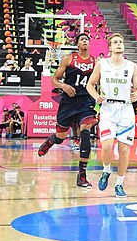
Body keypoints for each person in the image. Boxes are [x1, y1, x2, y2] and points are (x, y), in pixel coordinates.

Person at [38, 33, 99, 189]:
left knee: (85, 133)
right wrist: (64, 86)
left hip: (86, 102)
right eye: (82, 40)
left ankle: (82, 175)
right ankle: (51, 141)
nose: (85, 41)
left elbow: (100, 82)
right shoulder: (69, 59)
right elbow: (55, 80)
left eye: (87, 39)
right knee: (60, 137)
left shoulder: (95, 62)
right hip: (68, 102)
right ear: (77, 44)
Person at [86, 33, 137, 198]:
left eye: (121, 42)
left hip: (126, 110)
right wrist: (96, 97)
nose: (119, 44)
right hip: (108, 109)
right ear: (109, 47)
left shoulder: (132, 66)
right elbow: (90, 84)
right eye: (115, 42)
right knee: (107, 146)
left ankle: (119, 184)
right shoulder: (101, 64)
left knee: (124, 150)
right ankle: (106, 170)